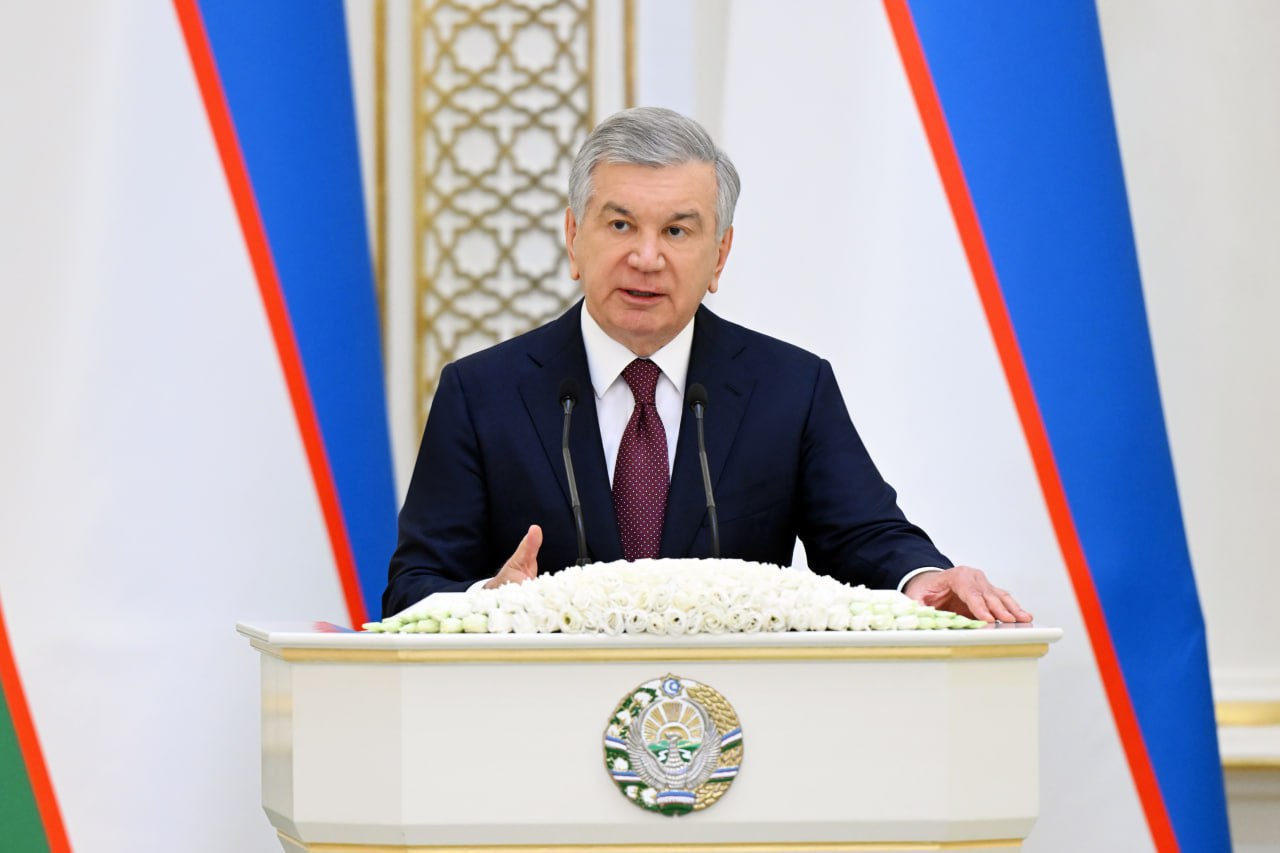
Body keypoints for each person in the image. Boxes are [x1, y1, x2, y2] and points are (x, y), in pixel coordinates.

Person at [384, 107, 1030, 624]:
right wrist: (489, 604)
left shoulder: (790, 388)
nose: (646, 257)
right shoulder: (482, 393)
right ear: (573, 237)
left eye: (676, 231)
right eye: (620, 225)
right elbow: (412, 587)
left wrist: (924, 577)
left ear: (719, 255)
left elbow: (865, 535)